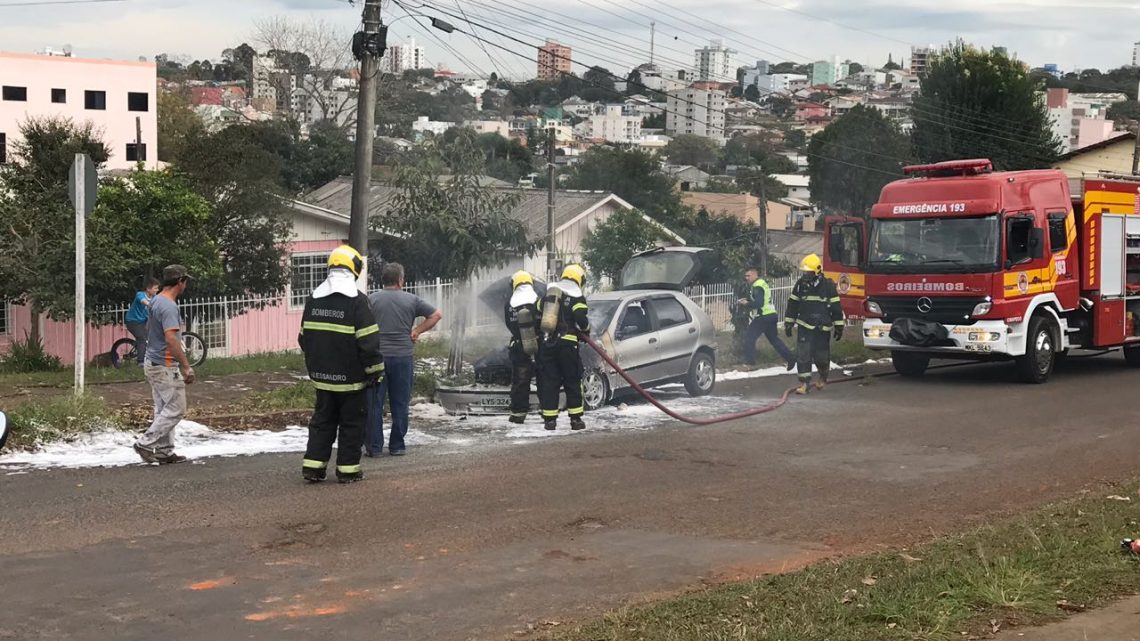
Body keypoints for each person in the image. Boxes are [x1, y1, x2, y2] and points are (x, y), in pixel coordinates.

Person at [298, 245, 385, 483]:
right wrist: (376, 372)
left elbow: (303, 339)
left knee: (322, 422)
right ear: (354, 270)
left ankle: (313, 468)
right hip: (351, 381)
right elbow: (369, 343)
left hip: (322, 379)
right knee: (352, 424)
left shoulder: (313, 300)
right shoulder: (358, 302)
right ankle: (348, 471)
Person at [365, 262, 441, 457]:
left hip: (377, 358)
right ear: (400, 280)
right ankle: (397, 445)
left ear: (383, 280)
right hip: (402, 357)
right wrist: (416, 331)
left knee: (375, 403)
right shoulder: (411, 299)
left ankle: (374, 447)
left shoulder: (371, 299)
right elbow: (436, 315)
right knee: (400, 402)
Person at [133, 265, 195, 465]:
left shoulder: (156, 300)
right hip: (164, 364)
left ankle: (164, 452)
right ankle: (145, 443)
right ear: (180, 281)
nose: (186, 285)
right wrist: (186, 365)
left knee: (163, 408)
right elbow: (171, 338)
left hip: (153, 362)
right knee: (176, 408)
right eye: (186, 281)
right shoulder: (168, 306)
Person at [783, 254, 845, 395]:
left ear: (817, 271)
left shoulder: (828, 286)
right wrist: (788, 323)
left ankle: (823, 376)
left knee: (821, 356)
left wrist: (839, 326)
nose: (805, 275)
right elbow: (793, 304)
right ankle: (804, 384)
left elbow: (836, 307)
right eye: (804, 272)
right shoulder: (800, 285)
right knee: (803, 355)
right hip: (805, 326)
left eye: (808, 272)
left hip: (822, 327)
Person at [538, 264, 590, 431]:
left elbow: (538, 308)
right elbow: (581, 319)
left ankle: (550, 421)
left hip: (549, 344)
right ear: (579, 279)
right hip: (568, 345)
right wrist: (587, 330)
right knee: (572, 381)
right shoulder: (576, 296)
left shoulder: (551, 293)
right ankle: (575, 420)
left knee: (550, 382)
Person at [738, 269, 795, 370]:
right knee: (774, 339)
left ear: (755, 275)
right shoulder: (762, 283)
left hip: (763, 317)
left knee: (749, 337)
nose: (746, 278)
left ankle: (750, 363)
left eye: (748, 276)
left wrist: (747, 303)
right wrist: (748, 300)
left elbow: (759, 303)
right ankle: (790, 358)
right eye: (745, 276)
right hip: (771, 315)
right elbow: (762, 300)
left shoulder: (757, 286)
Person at [505, 270, 542, 424]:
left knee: (520, 381)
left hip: (519, 347)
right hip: (540, 346)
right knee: (544, 378)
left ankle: (518, 414)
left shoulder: (510, 304)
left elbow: (509, 324)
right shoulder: (537, 300)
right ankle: (547, 410)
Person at [125, 278, 160, 365]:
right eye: (155, 288)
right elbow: (144, 302)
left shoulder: (155, 297)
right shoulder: (140, 294)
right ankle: (140, 362)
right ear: (148, 289)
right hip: (133, 321)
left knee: (153, 337)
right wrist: (150, 305)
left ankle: (152, 358)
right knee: (142, 339)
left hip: (144, 321)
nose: (157, 290)